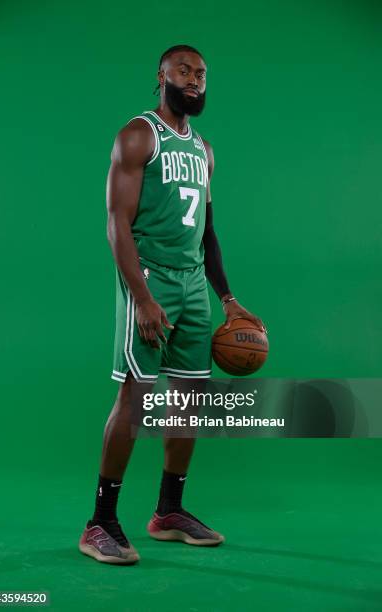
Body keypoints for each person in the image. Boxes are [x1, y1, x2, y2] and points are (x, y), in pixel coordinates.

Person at [79, 44, 266, 565]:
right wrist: (141, 298)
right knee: (136, 400)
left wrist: (227, 299)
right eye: (184, 70)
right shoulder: (138, 135)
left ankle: (168, 512)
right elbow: (116, 222)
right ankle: (100, 523)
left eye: (202, 73)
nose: (195, 79)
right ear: (160, 76)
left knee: (191, 401)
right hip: (150, 279)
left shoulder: (204, 150)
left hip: (192, 285)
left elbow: (208, 232)